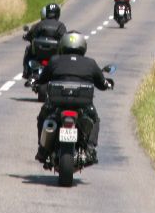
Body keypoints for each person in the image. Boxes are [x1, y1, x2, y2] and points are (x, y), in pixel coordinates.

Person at [34, 31, 112, 165]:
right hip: (83, 104)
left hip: (57, 102)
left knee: (43, 116)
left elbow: (42, 79)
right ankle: (90, 148)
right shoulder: (90, 63)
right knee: (95, 119)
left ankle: (42, 149)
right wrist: (108, 84)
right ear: (83, 46)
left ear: (63, 45)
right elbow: (102, 84)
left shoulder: (55, 60)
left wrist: (37, 81)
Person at [22, 3, 66, 79]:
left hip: (39, 56)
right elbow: (64, 38)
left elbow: (32, 35)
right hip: (55, 56)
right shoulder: (61, 26)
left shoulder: (39, 24)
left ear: (46, 13)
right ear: (58, 14)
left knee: (28, 49)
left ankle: (26, 72)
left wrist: (26, 37)